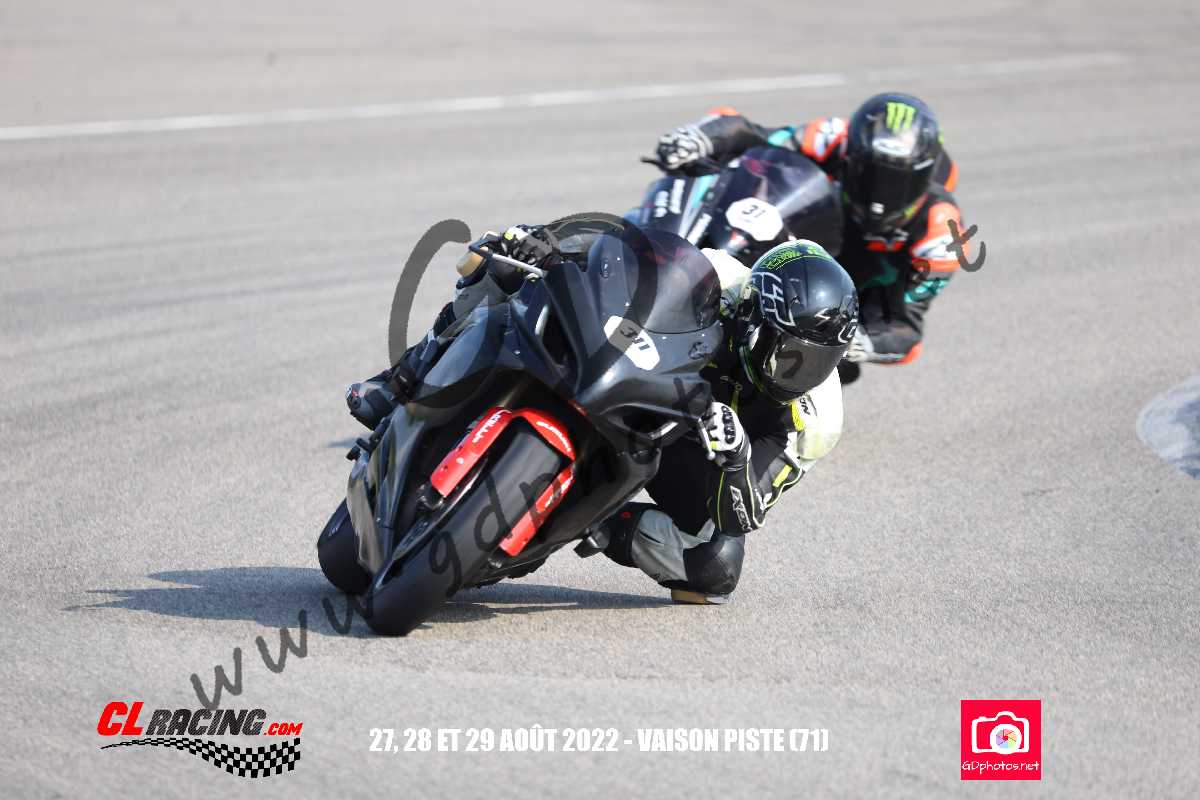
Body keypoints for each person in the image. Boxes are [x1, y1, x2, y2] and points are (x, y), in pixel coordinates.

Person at [346, 226, 858, 605]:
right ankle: (400, 380)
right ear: (754, 315)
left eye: (819, 361)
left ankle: (597, 520)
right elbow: (622, 253)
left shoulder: (816, 420)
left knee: (713, 564)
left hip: (689, 445)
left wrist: (735, 456)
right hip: (641, 370)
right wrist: (550, 243)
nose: (800, 373)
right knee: (501, 264)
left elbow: (742, 514)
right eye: (789, 354)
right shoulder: (723, 278)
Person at [654, 92, 965, 370]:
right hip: (807, 234)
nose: (879, 195)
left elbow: (906, 328)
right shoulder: (834, 136)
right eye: (869, 175)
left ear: (924, 178)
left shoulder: (942, 236)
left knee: (825, 361)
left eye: (896, 183)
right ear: (852, 155)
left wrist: (862, 340)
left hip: (849, 290)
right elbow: (756, 135)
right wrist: (701, 137)